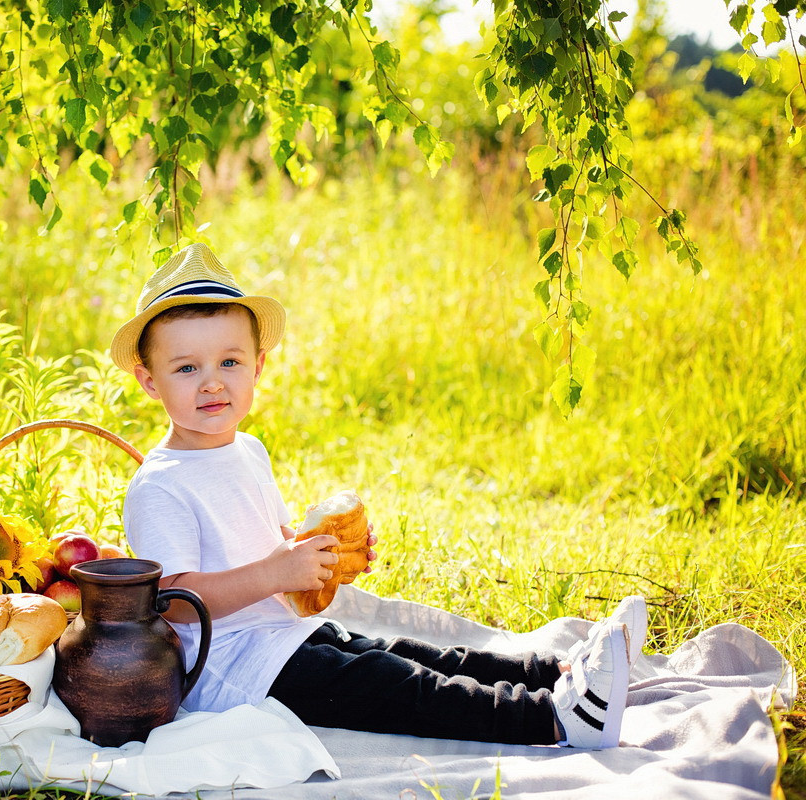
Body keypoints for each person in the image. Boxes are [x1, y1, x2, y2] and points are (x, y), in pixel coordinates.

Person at [109, 242, 646, 748]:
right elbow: (174, 603)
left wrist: (324, 555)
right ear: (150, 381)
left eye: (230, 362)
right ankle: (555, 718)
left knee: (405, 652)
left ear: (258, 365)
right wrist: (276, 573)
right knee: (398, 686)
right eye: (186, 368)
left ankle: (558, 670)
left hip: (286, 634)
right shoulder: (162, 484)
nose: (212, 383)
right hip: (235, 670)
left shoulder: (246, 449)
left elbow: (274, 541)